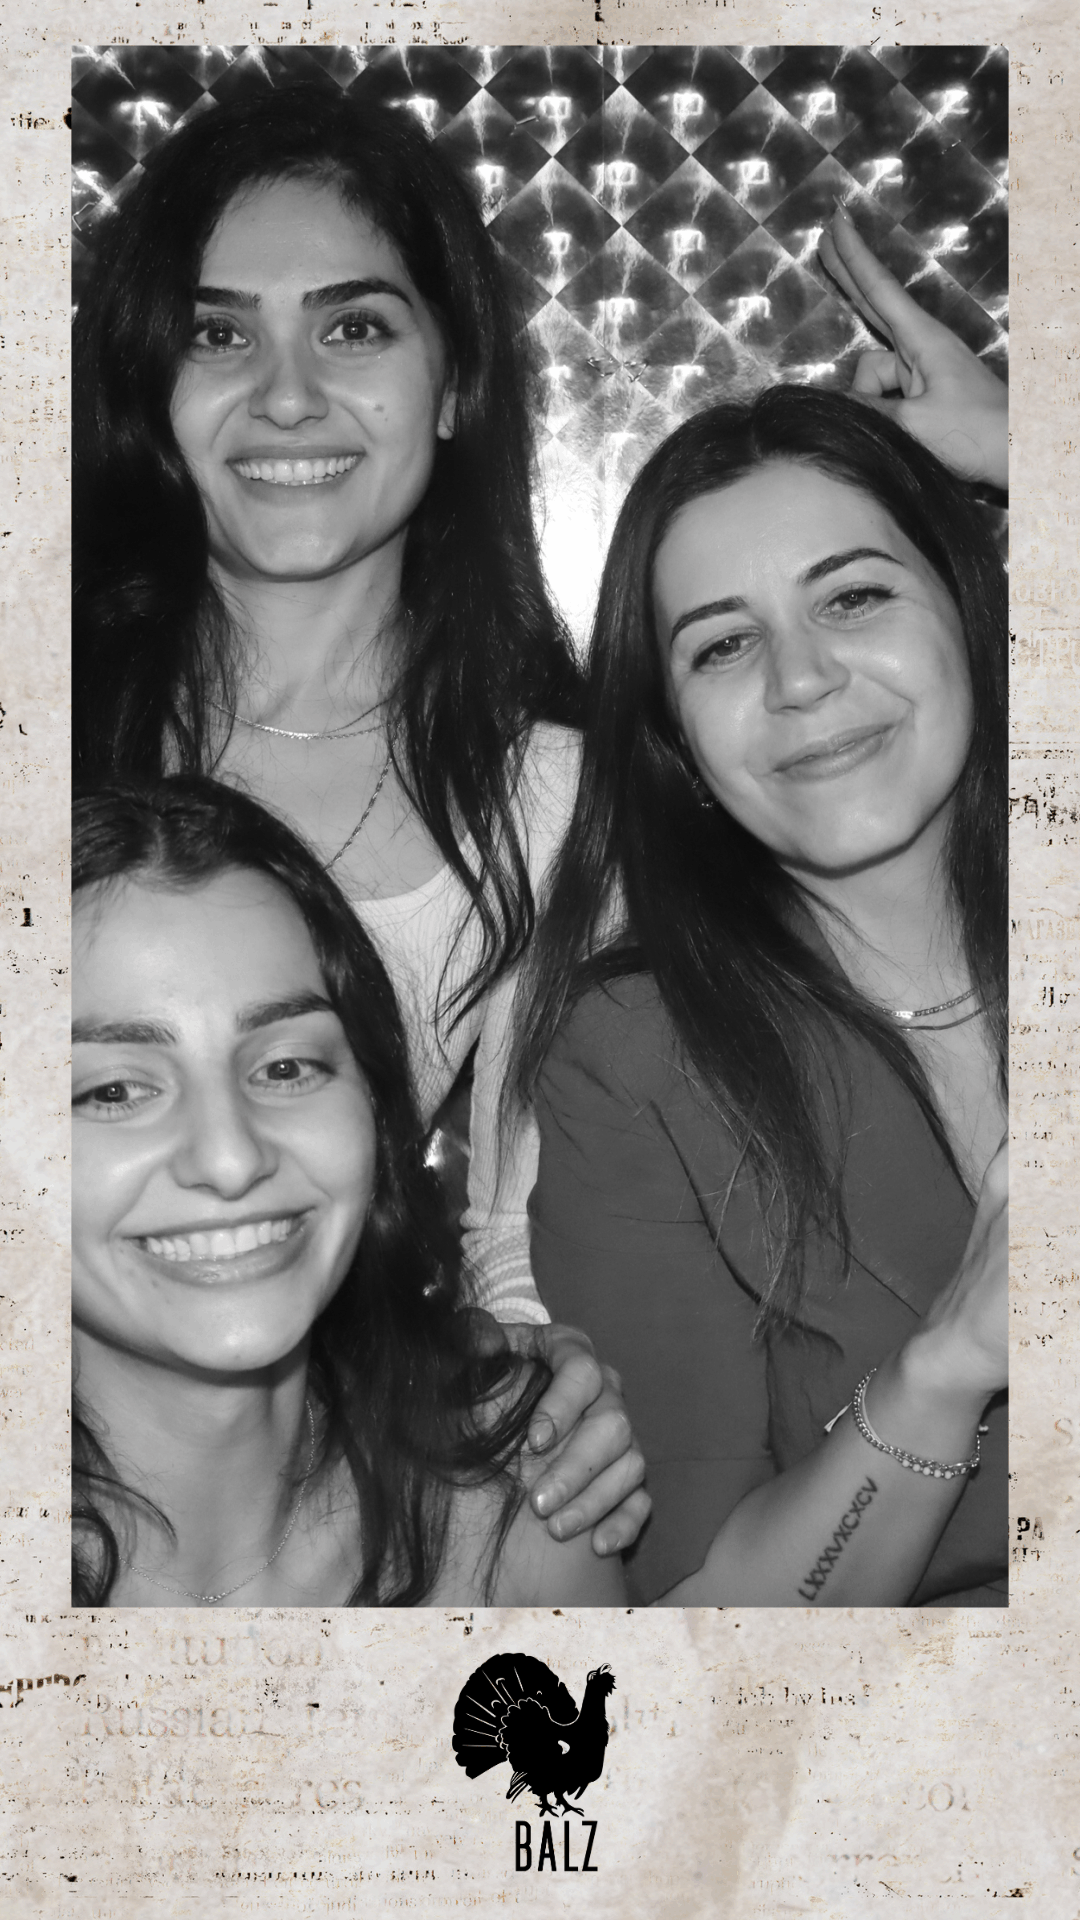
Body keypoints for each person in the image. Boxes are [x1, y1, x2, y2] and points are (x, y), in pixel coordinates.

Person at [72, 81, 644, 1555]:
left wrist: (543, 1373)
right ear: (152, 391)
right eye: (218, 335)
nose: (285, 395)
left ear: (452, 384)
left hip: (329, 1476)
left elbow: (509, 1232)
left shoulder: (554, 799)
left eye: (354, 327)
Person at [74, 777, 1004, 1611]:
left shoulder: (508, 1496)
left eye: (285, 1067)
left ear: (374, 1106)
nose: (229, 1157)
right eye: (112, 1090)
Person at [519, 369, 1009, 1605]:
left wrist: (1028, 448)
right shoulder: (632, 1058)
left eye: (853, 597)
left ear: (967, 610)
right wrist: (948, 1367)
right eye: (724, 644)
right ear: (675, 739)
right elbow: (704, 1616)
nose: (801, 679)